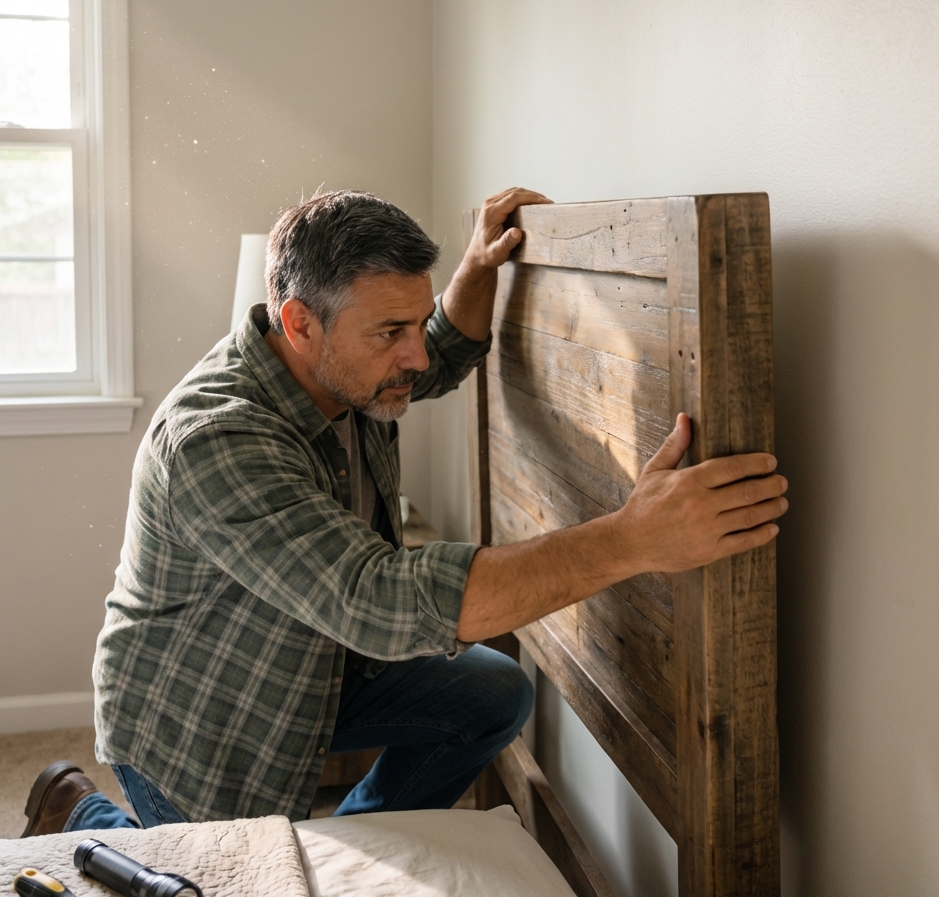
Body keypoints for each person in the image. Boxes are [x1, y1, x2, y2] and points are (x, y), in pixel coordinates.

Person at [21, 187, 788, 836]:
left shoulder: (346, 368)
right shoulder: (217, 439)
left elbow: (439, 353)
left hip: (317, 659)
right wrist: (630, 540)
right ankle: (78, 810)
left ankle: (346, 855)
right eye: (390, 333)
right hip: (208, 712)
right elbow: (380, 601)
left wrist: (477, 269)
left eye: (411, 323)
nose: (414, 356)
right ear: (298, 323)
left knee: (490, 693)